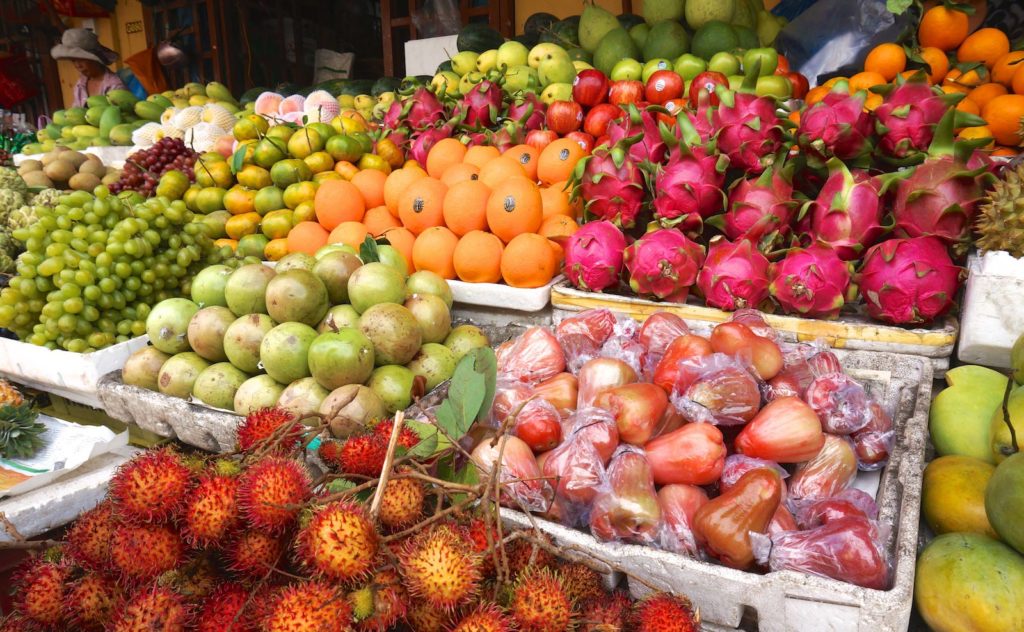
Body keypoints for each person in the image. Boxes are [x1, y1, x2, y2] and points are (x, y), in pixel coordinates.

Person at [50, 28, 127, 108]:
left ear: (95, 59)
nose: (78, 65)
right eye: (74, 61)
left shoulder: (115, 86)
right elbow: (75, 112)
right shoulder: (80, 84)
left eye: (82, 60)